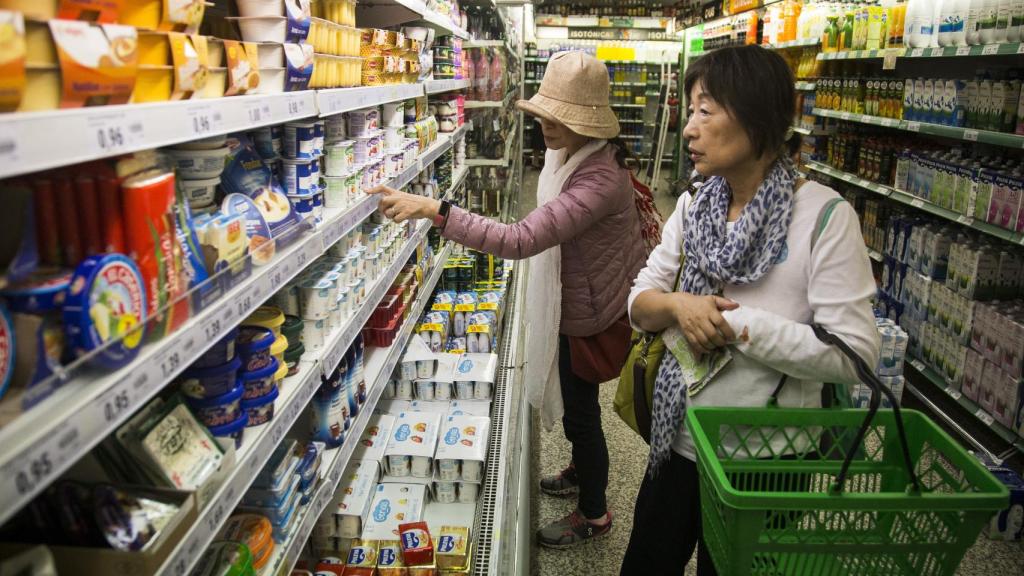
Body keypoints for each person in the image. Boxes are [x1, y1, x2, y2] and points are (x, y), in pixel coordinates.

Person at [370, 51, 648, 548]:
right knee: (576, 406)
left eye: (557, 115)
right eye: (544, 112)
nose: (544, 123)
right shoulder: (575, 156)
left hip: (591, 311)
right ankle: (581, 469)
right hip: (581, 295)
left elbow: (520, 240)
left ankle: (595, 512)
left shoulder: (599, 180)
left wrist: (435, 209)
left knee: (582, 413)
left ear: (585, 121)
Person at [620, 45, 880, 575]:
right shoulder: (694, 205)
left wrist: (736, 326)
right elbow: (639, 304)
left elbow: (855, 355)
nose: (689, 129)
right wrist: (679, 304)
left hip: (768, 460)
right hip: (678, 440)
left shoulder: (825, 218)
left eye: (705, 110)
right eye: (691, 111)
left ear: (756, 117)